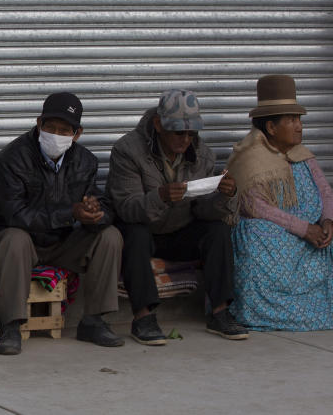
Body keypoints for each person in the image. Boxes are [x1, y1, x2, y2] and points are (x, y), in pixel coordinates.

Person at [0, 92, 124, 355]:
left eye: (64, 130)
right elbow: (16, 215)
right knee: (15, 238)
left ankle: (94, 321)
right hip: (18, 242)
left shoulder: (86, 161)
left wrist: (96, 213)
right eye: (50, 127)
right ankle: (10, 324)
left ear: (77, 133)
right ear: (39, 123)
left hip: (61, 242)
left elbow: (103, 203)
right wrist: (71, 214)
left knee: (110, 235)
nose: (55, 134)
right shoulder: (12, 158)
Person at [107, 89, 248, 345]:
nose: (185, 140)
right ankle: (143, 317)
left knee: (217, 230)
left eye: (191, 133)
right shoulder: (127, 150)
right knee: (133, 233)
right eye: (178, 132)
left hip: (180, 229)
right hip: (144, 229)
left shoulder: (202, 154)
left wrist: (224, 196)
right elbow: (126, 207)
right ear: (159, 125)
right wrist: (159, 197)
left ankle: (220, 312)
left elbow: (202, 209)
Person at [228, 75, 333, 330]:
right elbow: (255, 207)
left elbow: (326, 192)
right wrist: (304, 229)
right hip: (275, 240)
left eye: (299, 120)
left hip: (312, 237)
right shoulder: (249, 158)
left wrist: (327, 221)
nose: (299, 127)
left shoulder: (303, 156)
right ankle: (267, 311)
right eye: (292, 120)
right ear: (271, 127)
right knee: (255, 232)